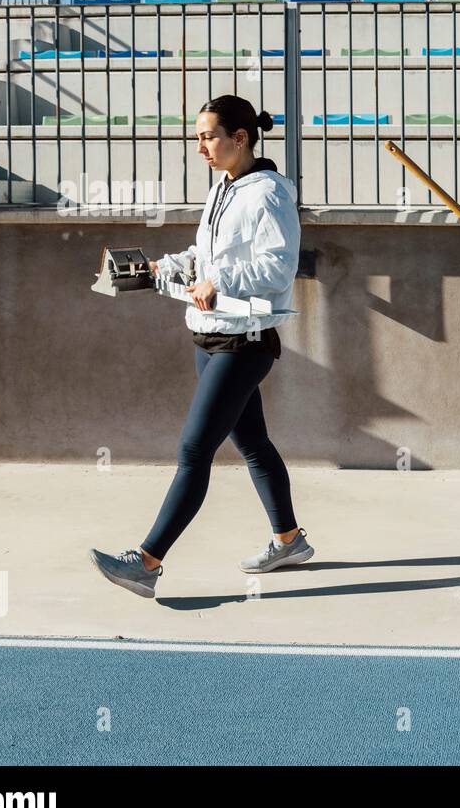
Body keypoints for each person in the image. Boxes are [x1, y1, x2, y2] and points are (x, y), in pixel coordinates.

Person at [90, 95, 311, 598]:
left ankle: (146, 563)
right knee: (252, 442)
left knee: (194, 450)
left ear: (241, 138)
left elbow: (278, 267)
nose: (201, 147)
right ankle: (289, 539)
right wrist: (156, 268)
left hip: (246, 339)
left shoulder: (270, 194)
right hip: (209, 335)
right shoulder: (223, 188)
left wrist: (220, 278)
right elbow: (203, 255)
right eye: (198, 137)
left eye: (209, 136)